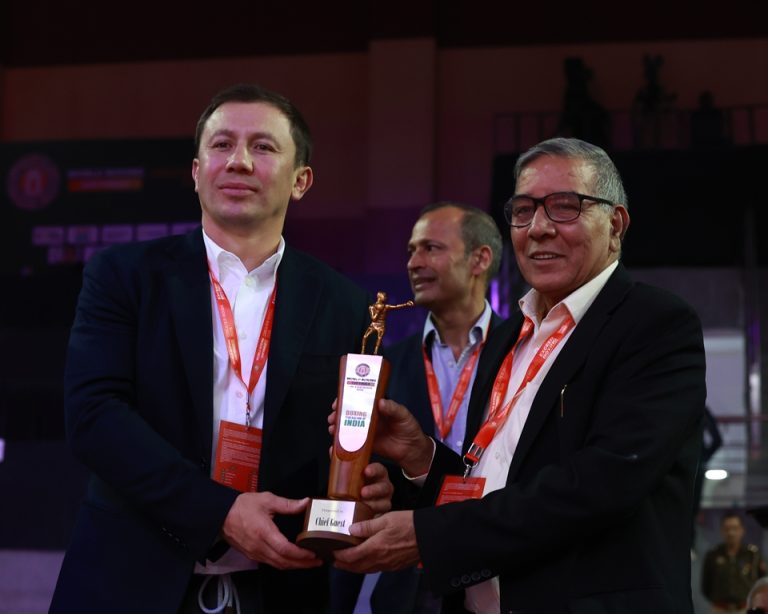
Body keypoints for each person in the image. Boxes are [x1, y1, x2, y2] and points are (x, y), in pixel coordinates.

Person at [50, 83, 392, 614]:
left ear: (301, 180)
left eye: (263, 147)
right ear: (196, 172)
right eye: (222, 144)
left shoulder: (346, 304)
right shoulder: (124, 276)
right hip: (131, 580)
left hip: (283, 588)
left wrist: (369, 486)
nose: (239, 161)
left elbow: (347, 437)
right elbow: (93, 416)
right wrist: (220, 512)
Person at [333, 137, 707, 613]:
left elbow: (601, 484)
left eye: (565, 206)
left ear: (615, 225)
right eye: (524, 210)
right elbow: (493, 485)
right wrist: (422, 457)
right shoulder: (509, 337)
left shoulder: (654, 324)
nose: (539, 228)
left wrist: (429, 535)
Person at [335, 203, 504, 613]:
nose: (414, 263)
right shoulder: (382, 365)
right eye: (411, 251)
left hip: (495, 573)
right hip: (403, 584)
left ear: (480, 259)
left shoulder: (521, 353)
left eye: (431, 248)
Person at [702, 511, 766, 614]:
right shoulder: (713, 555)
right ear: (721, 530)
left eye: (735, 528)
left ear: (742, 530)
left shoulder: (753, 554)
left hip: (745, 609)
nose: (731, 533)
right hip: (719, 610)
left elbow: (761, 583)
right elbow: (706, 587)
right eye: (727, 529)